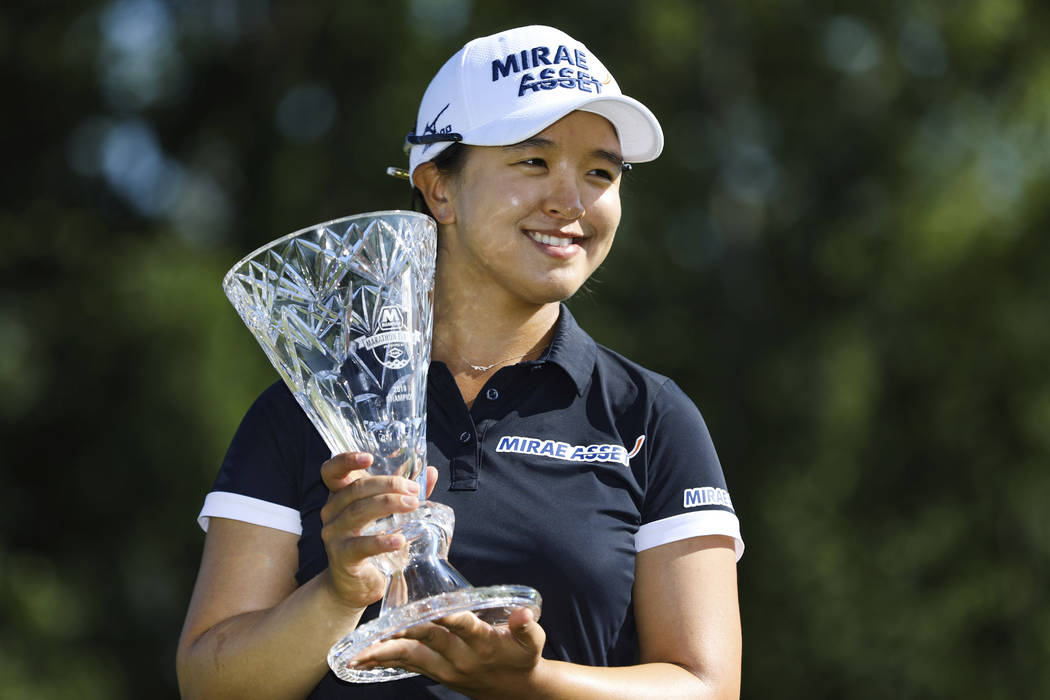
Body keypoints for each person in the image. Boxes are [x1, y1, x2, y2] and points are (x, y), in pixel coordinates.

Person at [177, 24, 743, 700]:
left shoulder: (650, 416)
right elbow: (211, 685)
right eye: (534, 162)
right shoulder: (307, 408)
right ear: (438, 188)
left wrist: (531, 683)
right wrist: (339, 591)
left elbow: (707, 687)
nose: (572, 199)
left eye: (601, 171)